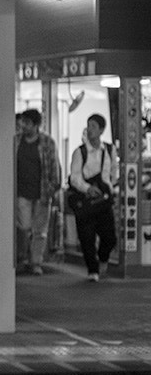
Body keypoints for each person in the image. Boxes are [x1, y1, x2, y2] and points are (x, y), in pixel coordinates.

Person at [68, 113, 118, 282]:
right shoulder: (79, 152)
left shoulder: (110, 150)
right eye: (88, 126)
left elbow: (114, 173)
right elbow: (74, 177)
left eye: (94, 126)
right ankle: (93, 270)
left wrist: (109, 186)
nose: (90, 130)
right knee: (86, 238)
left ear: (102, 130)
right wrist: (88, 188)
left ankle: (103, 258)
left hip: (104, 201)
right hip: (86, 202)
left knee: (110, 237)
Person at [14, 108, 61, 276]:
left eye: (27, 123)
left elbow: (54, 166)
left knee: (40, 230)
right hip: (21, 192)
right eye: (22, 122)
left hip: (42, 192)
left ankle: (35, 262)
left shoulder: (47, 142)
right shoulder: (16, 141)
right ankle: (22, 257)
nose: (23, 126)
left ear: (36, 125)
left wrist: (52, 188)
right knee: (23, 227)